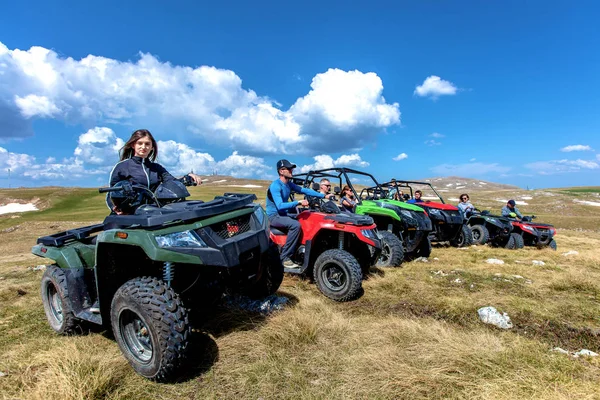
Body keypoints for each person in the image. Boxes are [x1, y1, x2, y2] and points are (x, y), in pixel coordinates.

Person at [107, 129, 203, 214]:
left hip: (154, 211)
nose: (143, 147)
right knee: (112, 229)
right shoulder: (122, 167)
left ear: (152, 147)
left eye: (147, 144)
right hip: (129, 212)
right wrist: (114, 207)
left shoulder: (156, 168)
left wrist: (188, 177)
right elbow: (112, 191)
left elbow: (172, 182)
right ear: (133, 145)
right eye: (140, 143)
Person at [266, 159, 334, 268]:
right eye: (289, 169)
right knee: (295, 225)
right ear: (281, 171)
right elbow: (280, 205)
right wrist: (298, 202)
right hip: (274, 216)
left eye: (291, 168)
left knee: (305, 218)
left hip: (283, 215)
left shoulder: (288, 184)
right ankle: (285, 258)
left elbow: (304, 190)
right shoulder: (275, 186)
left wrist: (323, 196)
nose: (291, 170)